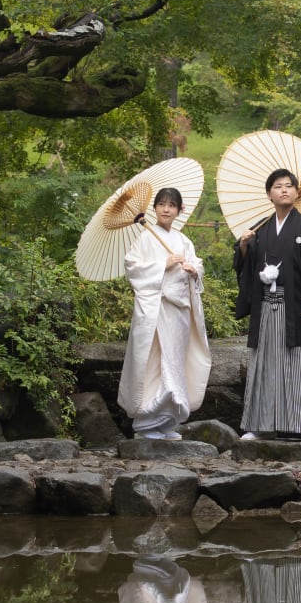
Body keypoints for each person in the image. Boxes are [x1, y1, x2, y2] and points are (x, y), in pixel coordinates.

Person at [234, 168, 301, 441]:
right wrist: (243, 246)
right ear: (269, 194)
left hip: (298, 308)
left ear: (297, 192)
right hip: (266, 308)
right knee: (264, 364)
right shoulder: (261, 228)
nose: (284, 190)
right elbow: (246, 266)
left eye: (289, 185)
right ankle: (259, 424)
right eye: (278, 186)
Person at [119, 187, 211, 440]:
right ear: (155, 208)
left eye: (172, 205)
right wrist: (163, 264)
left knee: (175, 362)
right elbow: (132, 267)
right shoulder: (145, 238)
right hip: (157, 309)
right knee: (155, 361)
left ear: (179, 210)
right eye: (162, 204)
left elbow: (197, 264)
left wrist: (194, 270)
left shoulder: (183, 240)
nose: (166, 209)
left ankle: (167, 420)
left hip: (179, 311)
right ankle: (146, 422)